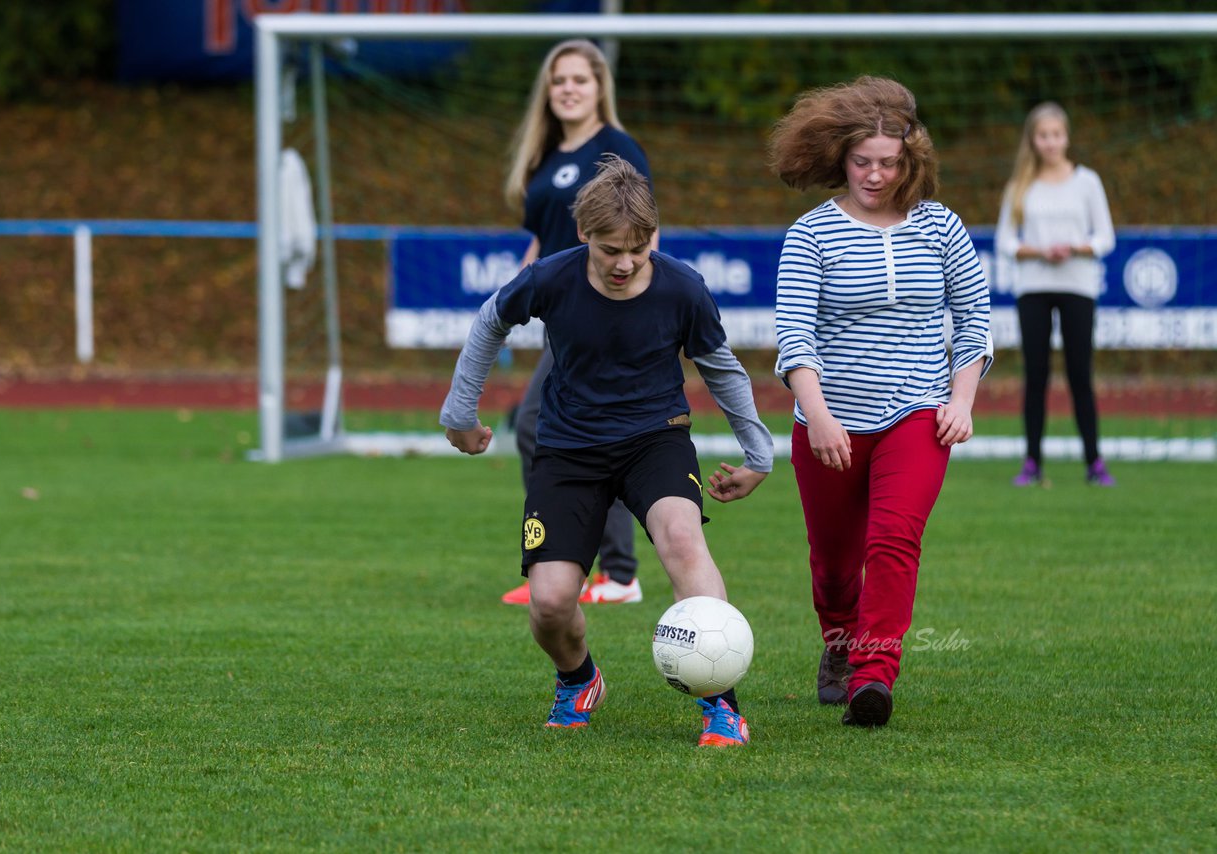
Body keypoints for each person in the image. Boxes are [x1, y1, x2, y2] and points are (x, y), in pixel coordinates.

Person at [441, 156, 774, 746]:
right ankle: (579, 679)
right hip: (569, 449)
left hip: (656, 438)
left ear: (656, 236)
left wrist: (758, 454)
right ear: (583, 235)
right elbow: (489, 321)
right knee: (549, 602)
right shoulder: (551, 278)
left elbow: (720, 367)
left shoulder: (682, 288)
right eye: (609, 250)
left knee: (681, 538)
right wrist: (459, 415)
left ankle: (723, 706)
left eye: (638, 249)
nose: (624, 263)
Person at [767, 76, 993, 727]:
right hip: (830, 420)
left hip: (918, 415)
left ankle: (873, 676)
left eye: (888, 163)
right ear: (841, 156)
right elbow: (795, 338)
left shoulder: (941, 226)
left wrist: (962, 399)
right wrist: (820, 416)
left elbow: (974, 318)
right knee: (835, 566)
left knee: (894, 541)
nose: (874, 174)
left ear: (911, 160)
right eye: (862, 161)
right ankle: (838, 645)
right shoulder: (811, 235)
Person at [499, 38, 654, 607]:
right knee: (554, 430)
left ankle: (607, 573)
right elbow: (543, 241)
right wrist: (514, 297)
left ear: (598, 88)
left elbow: (643, 235)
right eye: (558, 80)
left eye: (579, 80)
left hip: (604, 318)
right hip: (561, 320)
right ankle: (583, 570)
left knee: (542, 426)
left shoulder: (616, 148)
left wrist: (634, 303)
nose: (568, 88)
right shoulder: (542, 158)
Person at [996, 102, 1117, 487]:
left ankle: (1094, 463)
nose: (1050, 142)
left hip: (1078, 286)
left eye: (1057, 134)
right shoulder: (1020, 185)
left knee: (1080, 374)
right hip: (1032, 287)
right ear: (1033, 139)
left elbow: (1106, 237)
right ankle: (1032, 463)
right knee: (1036, 375)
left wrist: (1078, 247)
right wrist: (1037, 251)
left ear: (1066, 137)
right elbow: (1004, 241)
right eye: (1043, 135)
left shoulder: (1088, 182)